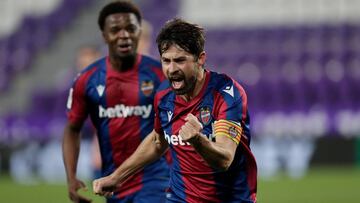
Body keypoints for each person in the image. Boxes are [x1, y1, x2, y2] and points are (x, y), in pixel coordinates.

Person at [93, 18, 257, 203]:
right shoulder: (163, 95)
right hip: (180, 198)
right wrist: (116, 178)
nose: (171, 69)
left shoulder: (226, 93)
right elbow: (157, 142)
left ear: (200, 58)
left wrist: (197, 140)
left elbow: (224, 160)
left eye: (180, 60)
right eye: (166, 61)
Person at [62, 1, 169, 203]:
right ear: (104, 35)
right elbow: (72, 128)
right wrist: (71, 177)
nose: (124, 35)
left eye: (130, 28)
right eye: (115, 29)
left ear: (139, 32)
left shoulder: (160, 75)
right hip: (112, 186)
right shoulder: (87, 79)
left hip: (156, 181)